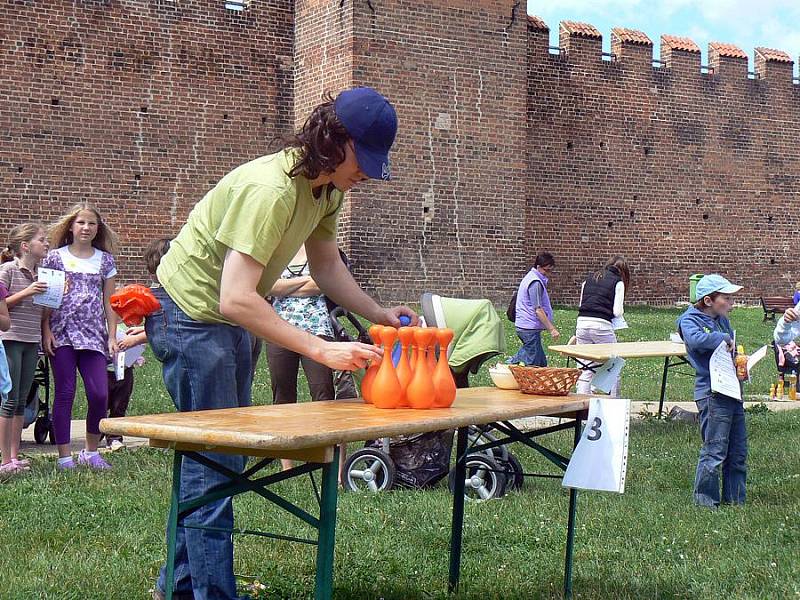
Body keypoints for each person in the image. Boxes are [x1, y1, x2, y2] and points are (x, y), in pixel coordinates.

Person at [147, 87, 416, 600]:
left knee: (218, 458)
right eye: (367, 159)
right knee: (216, 460)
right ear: (336, 141)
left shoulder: (327, 191)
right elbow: (235, 299)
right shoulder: (270, 189)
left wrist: (378, 313)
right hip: (190, 314)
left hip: (229, 318)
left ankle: (179, 586)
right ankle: (210, 594)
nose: (370, 174)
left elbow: (326, 266)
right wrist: (320, 348)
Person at [41, 204, 119, 471]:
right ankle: (64, 457)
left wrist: (112, 335)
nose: (86, 228)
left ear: (98, 229)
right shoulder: (55, 258)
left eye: (92, 224)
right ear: (71, 227)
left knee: (99, 394)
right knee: (65, 392)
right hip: (62, 333)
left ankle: (90, 451)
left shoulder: (105, 261)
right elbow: (47, 299)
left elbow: (110, 302)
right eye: (81, 223)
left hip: (93, 335)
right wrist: (46, 330)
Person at [676, 274, 746, 509]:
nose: (731, 304)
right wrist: (723, 337)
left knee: (737, 451)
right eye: (726, 298)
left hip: (732, 389)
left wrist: (740, 364)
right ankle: (705, 501)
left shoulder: (722, 320)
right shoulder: (689, 320)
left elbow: (729, 349)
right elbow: (696, 341)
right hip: (712, 393)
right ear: (708, 300)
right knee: (714, 449)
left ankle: (736, 498)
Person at [0, 223, 49, 474]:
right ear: (25, 245)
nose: (47, 243)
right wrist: (27, 292)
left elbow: (43, 312)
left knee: (21, 400)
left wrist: (56, 296)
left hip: (32, 341)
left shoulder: (43, 274)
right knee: (8, 399)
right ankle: (4, 459)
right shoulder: (8, 269)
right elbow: (1, 303)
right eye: (42, 239)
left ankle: (15, 456)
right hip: (10, 338)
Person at [574, 256, 630, 396]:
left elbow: (581, 304)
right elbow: (617, 311)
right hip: (601, 326)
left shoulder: (589, 279)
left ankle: (582, 407)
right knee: (613, 365)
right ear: (623, 272)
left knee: (585, 366)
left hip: (582, 324)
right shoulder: (618, 282)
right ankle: (613, 403)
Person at [507, 252, 559, 366]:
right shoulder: (535, 282)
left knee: (541, 363)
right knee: (533, 364)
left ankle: (511, 364)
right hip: (528, 327)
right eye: (546, 270)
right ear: (538, 267)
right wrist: (552, 329)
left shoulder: (531, 278)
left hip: (527, 326)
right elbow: (538, 309)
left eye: (551, 270)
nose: (548, 274)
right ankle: (509, 366)